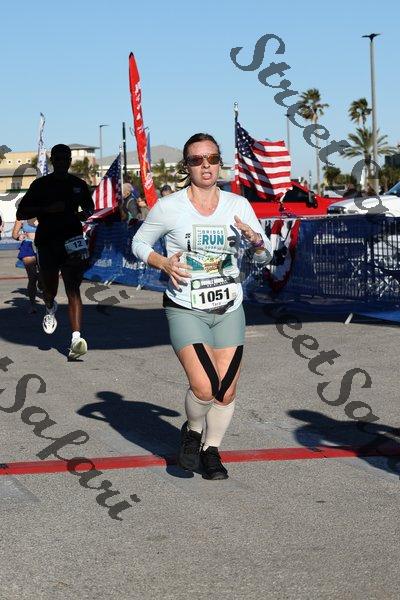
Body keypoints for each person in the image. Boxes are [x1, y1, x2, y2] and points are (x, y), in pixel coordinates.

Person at [132, 133, 272, 480]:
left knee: (226, 390)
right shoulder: (169, 207)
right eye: (197, 160)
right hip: (185, 306)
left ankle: (212, 450)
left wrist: (256, 241)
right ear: (187, 166)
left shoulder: (238, 205)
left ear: (220, 162)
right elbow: (139, 242)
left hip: (228, 308)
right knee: (205, 386)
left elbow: (264, 254)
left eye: (212, 158)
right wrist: (162, 262)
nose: (206, 165)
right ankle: (193, 430)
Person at [16, 144, 94, 359]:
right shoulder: (41, 185)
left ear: (69, 161)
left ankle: (76, 339)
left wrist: (84, 214)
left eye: (64, 158)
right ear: (52, 161)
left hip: (73, 241)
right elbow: (21, 212)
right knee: (49, 287)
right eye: (57, 159)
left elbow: (89, 207)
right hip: (48, 242)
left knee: (73, 288)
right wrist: (46, 210)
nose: (61, 162)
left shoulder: (78, 184)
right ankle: (50, 306)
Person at [12, 217, 41, 313]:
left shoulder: (44, 213)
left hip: (43, 245)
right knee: (32, 277)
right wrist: (18, 237)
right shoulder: (21, 217)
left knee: (43, 277)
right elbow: (14, 234)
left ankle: (41, 283)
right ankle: (32, 305)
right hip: (28, 246)